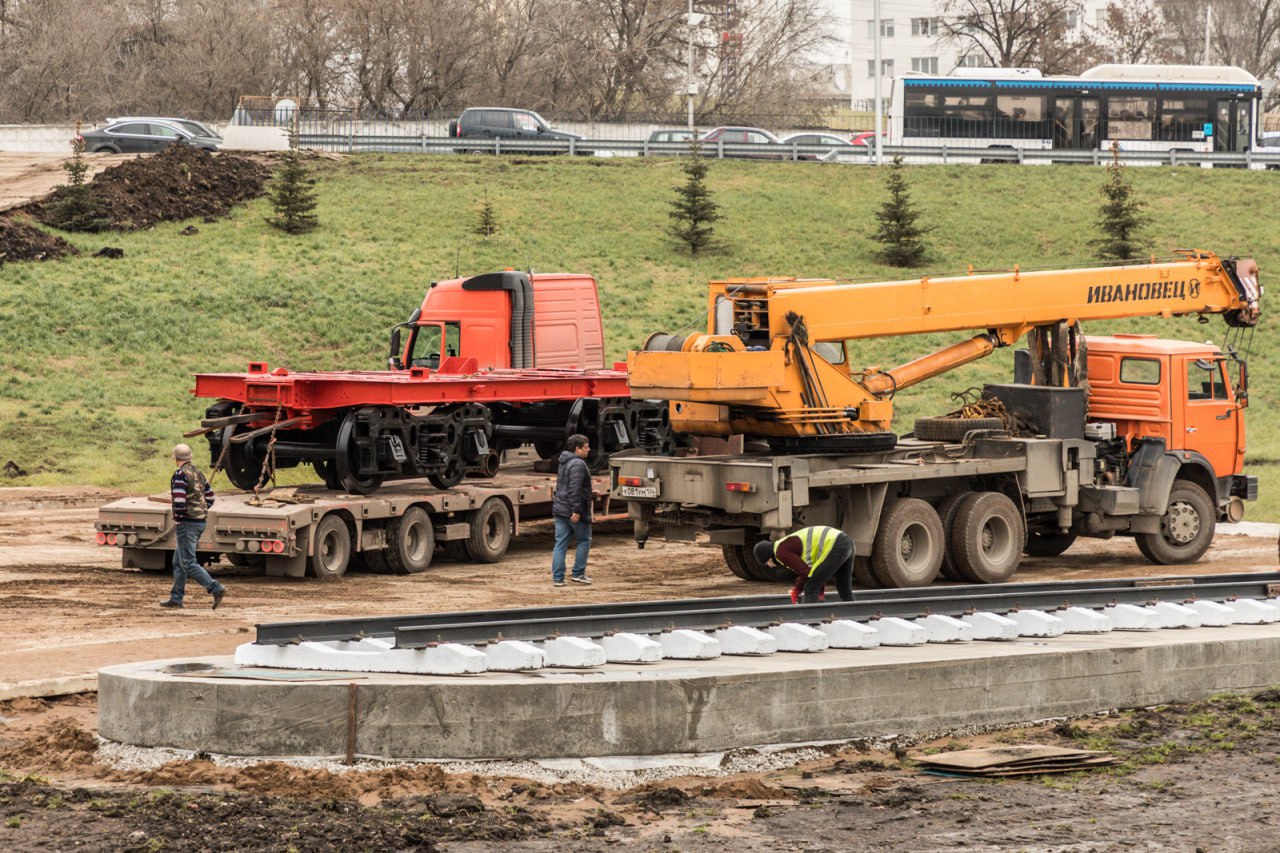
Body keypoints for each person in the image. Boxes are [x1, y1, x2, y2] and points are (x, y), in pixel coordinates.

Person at [162, 443, 226, 610]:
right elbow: (210, 497)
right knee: (178, 561)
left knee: (188, 562)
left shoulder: (180, 475)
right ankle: (176, 597)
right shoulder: (198, 472)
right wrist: (200, 511)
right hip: (199, 522)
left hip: (187, 523)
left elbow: (179, 500)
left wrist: (178, 518)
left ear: (174, 458)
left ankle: (215, 588)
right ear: (190, 456)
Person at [754, 525, 854, 604]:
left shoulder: (781, 552)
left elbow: (805, 572)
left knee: (810, 587)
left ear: (768, 556)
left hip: (835, 544)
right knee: (843, 586)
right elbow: (815, 571)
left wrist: (796, 590)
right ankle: (854, 614)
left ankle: (809, 621)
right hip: (845, 541)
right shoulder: (784, 544)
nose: (769, 565)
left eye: (767, 562)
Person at [550, 434, 593, 587]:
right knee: (584, 541)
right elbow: (574, 489)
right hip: (572, 510)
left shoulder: (564, 460)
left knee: (560, 543)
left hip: (560, 508)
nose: (589, 450)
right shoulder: (578, 464)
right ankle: (578, 573)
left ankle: (558, 578)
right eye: (586, 447)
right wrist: (576, 511)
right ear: (578, 449)